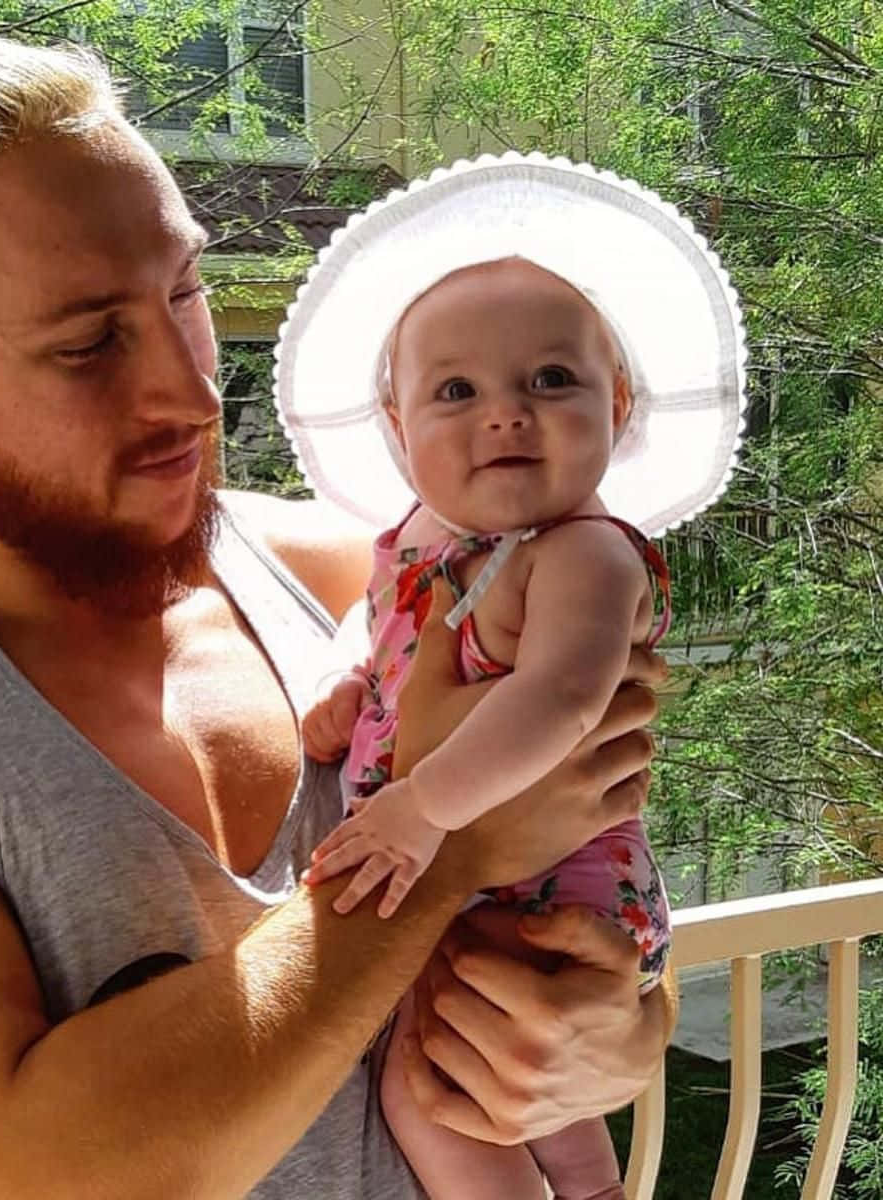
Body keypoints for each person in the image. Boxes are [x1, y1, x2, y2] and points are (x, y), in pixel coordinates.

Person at [0, 12, 674, 1198]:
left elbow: (597, 910)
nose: (194, 389)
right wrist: (449, 844)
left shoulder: (370, 574)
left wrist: (616, 1037)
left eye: (186, 291)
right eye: (91, 342)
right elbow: (16, 1181)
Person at [276, 156, 747, 1198]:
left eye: (551, 380)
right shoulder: (415, 543)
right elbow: (381, 622)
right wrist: (346, 671)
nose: (507, 413)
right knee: (509, 1090)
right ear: (398, 430)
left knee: (432, 1093)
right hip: (483, 879)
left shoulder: (584, 551)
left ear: (616, 404)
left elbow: (565, 699)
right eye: (457, 391)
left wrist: (419, 808)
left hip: (548, 884)